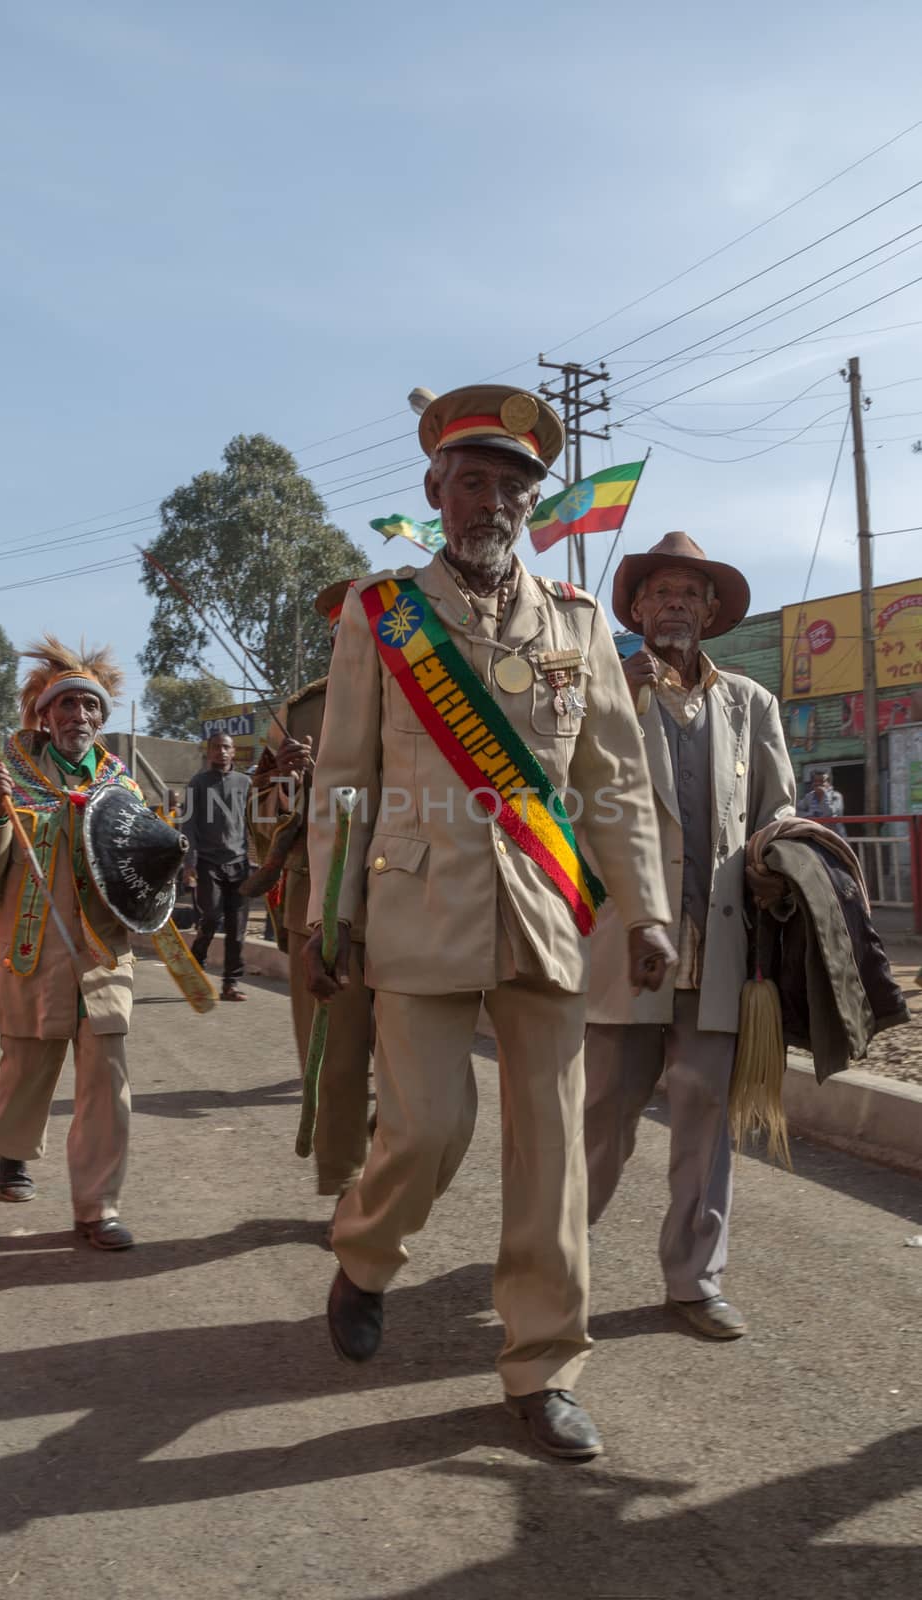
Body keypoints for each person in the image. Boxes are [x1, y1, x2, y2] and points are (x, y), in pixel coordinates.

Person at [304, 383, 674, 1462]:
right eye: (473, 480)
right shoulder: (383, 618)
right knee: (426, 1127)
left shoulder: (572, 622)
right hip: (414, 904)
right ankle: (367, 1251)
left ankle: (542, 1365)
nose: (492, 499)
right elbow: (339, 778)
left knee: (551, 1150)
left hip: (546, 912)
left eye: (512, 483)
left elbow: (614, 774)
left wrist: (643, 909)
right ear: (434, 489)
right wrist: (331, 912)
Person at [584, 532, 796, 1340]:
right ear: (634, 610)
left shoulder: (750, 704)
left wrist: (779, 851)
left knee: (707, 1111)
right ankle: (557, 1260)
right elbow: (561, 800)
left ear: (709, 613)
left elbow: (777, 806)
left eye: (688, 595)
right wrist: (611, 698)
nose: (673, 605)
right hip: (624, 945)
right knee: (604, 1113)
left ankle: (693, 1280)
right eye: (659, 594)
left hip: (720, 949)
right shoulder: (602, 691)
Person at [0, 637, 193, 1250]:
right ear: (44, 716)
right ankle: (14, 1151)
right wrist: (0, 816)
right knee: (26, 1070)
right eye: (67, 706)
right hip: (31, 952)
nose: (78, 716)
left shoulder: (122, 790)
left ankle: (97, 1207)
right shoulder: (11, 780)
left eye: (89, 707)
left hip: (103, 957)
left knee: (107, 1079)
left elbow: (140, 869)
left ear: (101, 720)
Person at [250, 583, 379, 1210]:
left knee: (420, 1069)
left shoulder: (429, 699)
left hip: (414, 898)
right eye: (343, 631)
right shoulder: (300, 713)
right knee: (335, 1063)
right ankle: (348, 1189)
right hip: (319, 903)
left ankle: (388, 1154)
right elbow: (261, 827)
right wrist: (282, 784)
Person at [182, 732, 251, 1000]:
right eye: (216, 747)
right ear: (209, 752)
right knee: (210, 916)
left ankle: (230, 984)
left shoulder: (246, 782)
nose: (221, 752)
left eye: (226, 747)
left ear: (233, 752)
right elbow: (187, 825)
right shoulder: (197, 784)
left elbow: (255, 823)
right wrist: (190, 863)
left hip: (240, 863)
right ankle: (197, 960)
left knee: (238, 928)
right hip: (208, 863)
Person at [797, 769, 847, 838]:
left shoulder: (836, 796)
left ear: (829, 783)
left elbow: (830, 814)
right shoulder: (809, 797)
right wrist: (809, 815)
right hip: (817, 836)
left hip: (835, 837)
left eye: (821, 781)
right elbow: (797, 811)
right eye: (815, 781)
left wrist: (824, 794)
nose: (818, 784)